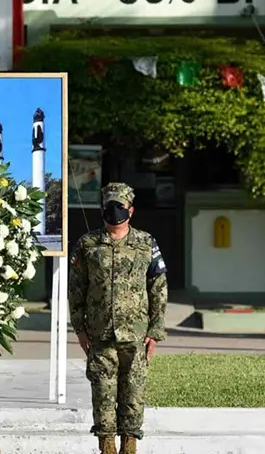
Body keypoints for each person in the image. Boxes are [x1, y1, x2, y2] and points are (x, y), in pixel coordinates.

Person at [67, 182, 168, 454]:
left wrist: (156, 331)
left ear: (131, 210)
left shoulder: (146, 243)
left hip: (135, 335)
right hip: (100, 334)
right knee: (102, 393)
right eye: (109, 207)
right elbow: (76, 290)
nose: (114, 212)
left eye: (120, 207)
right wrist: (80, 329)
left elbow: (158, 288)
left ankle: (129, 447)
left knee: (133, 395)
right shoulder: (88, 244)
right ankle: (107, 447)